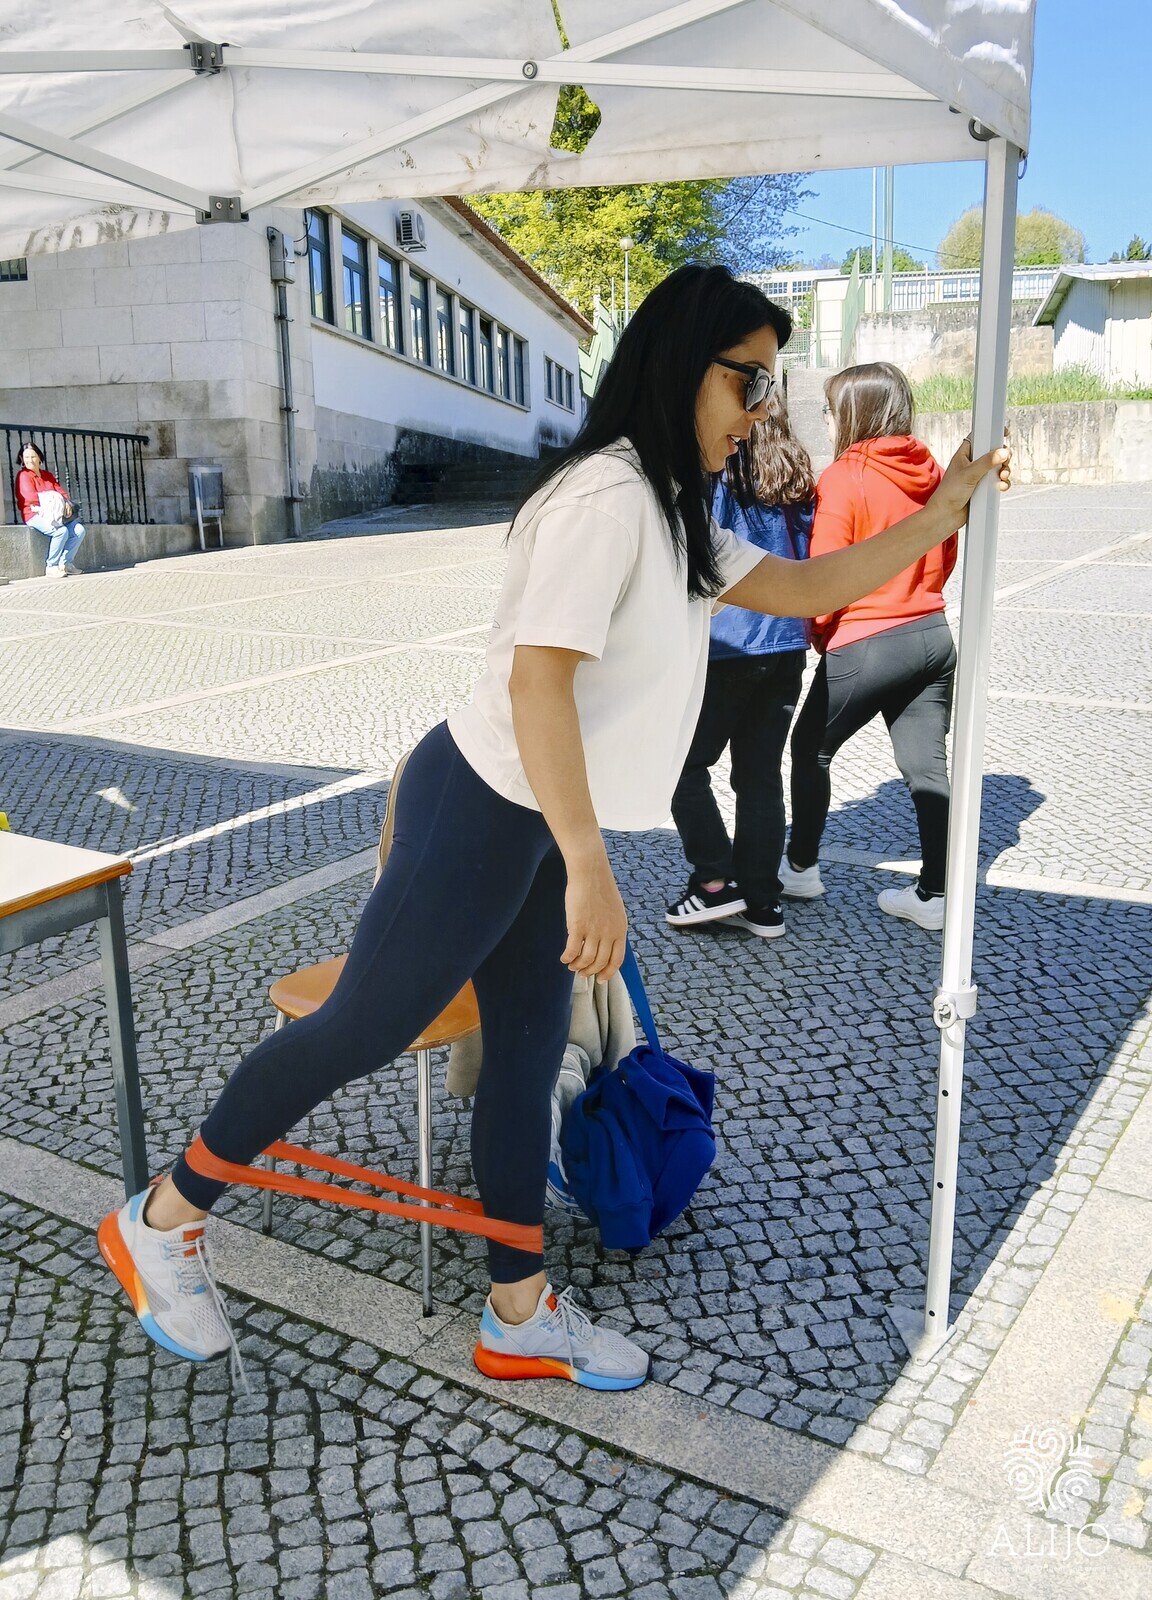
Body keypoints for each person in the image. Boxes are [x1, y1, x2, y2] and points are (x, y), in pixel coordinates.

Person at [97, 268, 1007, 1393]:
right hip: (482, 798)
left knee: (529, 1057)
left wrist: (941, 514)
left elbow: (811, 582)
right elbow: (539, 686)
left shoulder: (673, 506)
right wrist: (591, 865)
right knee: (362, 1028)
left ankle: (517, 1313)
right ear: (681, 365)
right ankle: (163, 1217)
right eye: (749, 382)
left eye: (771, 386)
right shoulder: (605, 498)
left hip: (535, 814)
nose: (761, 410)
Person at [780, 362, 960, 931]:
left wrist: (819, 632)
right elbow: (946, 552)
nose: (828, 421)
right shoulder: (930, 470)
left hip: (867, 640)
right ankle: (935, 894)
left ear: (855, 413)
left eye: (831, 410)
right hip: (932, 634)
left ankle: (801, 867)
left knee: (810, 749)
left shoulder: (844, 476)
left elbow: (825, 572)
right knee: (927, 768)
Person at [667, 393, 814, 938]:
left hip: (727, 647)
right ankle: (762, 903)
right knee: (760, 776)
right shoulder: (798, 482)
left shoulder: (718, 476)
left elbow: (696, 558)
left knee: (680, 764)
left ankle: (713, 880)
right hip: (785, 645)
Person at [14, 442, 87, 578]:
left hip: (55, 514)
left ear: (39, 457)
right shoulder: (23, 475)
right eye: (26, 457)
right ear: (22, 459)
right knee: (61, 531)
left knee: (79, 530)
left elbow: (61, 492)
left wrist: (66, 502)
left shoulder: (47, 475)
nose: (30, 460)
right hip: (34, 514)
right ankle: (51, 566)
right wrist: (52, 499)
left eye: (33, 456)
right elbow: (30, 498)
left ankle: (65, 563)